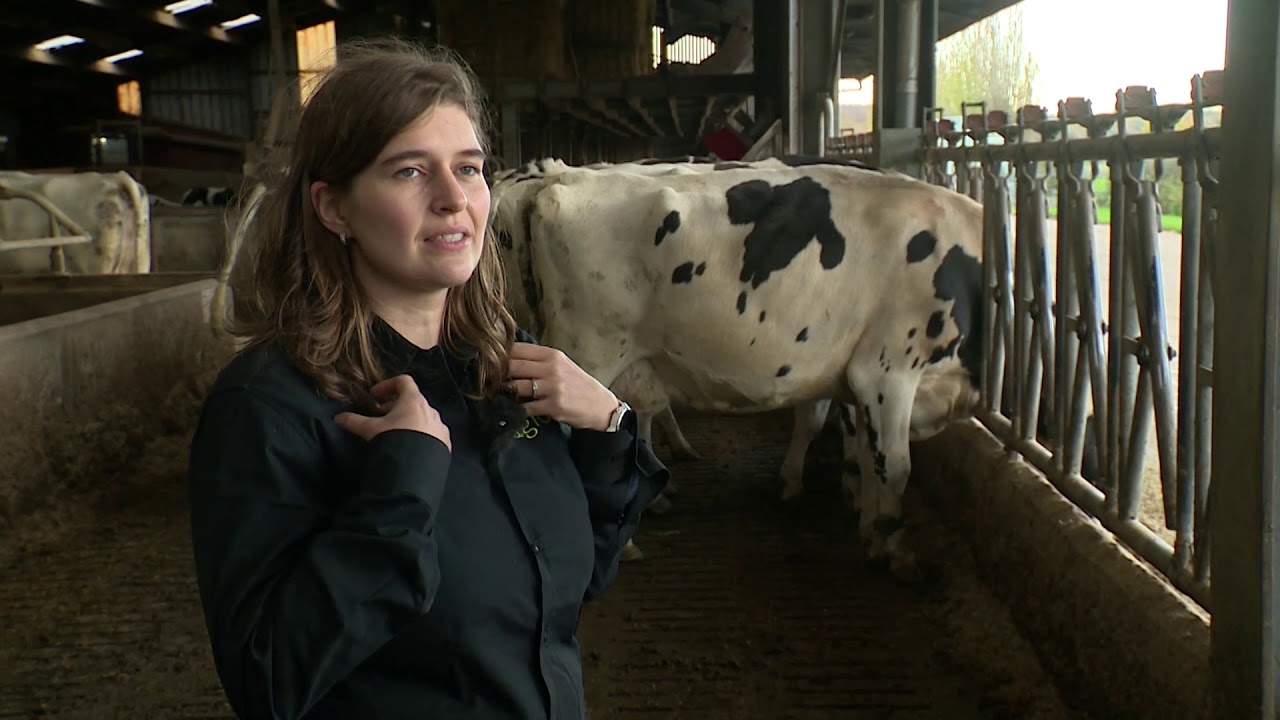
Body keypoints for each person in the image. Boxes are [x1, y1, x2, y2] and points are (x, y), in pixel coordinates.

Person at [187, 38, 669, 720]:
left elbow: (561, 586)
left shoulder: (509, 368)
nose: (453, 199)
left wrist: (606, 432)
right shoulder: (270, 408)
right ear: (333, 208)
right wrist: (401, 487)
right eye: (410, 172)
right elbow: (268, 682)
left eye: (468, 168)